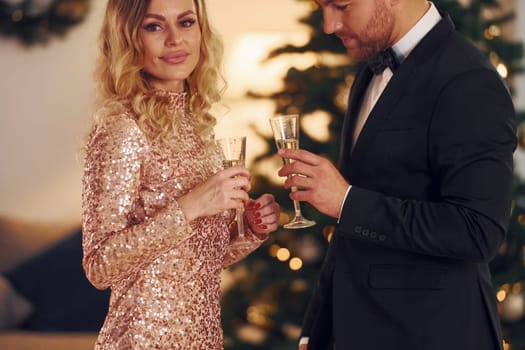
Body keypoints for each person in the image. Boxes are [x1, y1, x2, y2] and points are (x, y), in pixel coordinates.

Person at [277, 1, 517, 350]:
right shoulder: (370, 70)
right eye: (323, 5)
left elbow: (478, 231)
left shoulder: (469, 80)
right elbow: (350, 237)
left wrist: (346, 201)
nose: (329, 24)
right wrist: (315, 330)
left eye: (342, 5)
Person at [81, 0, 280, 349]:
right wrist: (190, 206)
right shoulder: (122, 129)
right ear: (128, 38)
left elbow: (198, 260)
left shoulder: (197, 127)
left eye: (186, 22)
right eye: (154, 26)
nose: (175, 39)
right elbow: (99, 266)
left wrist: (250, 229)